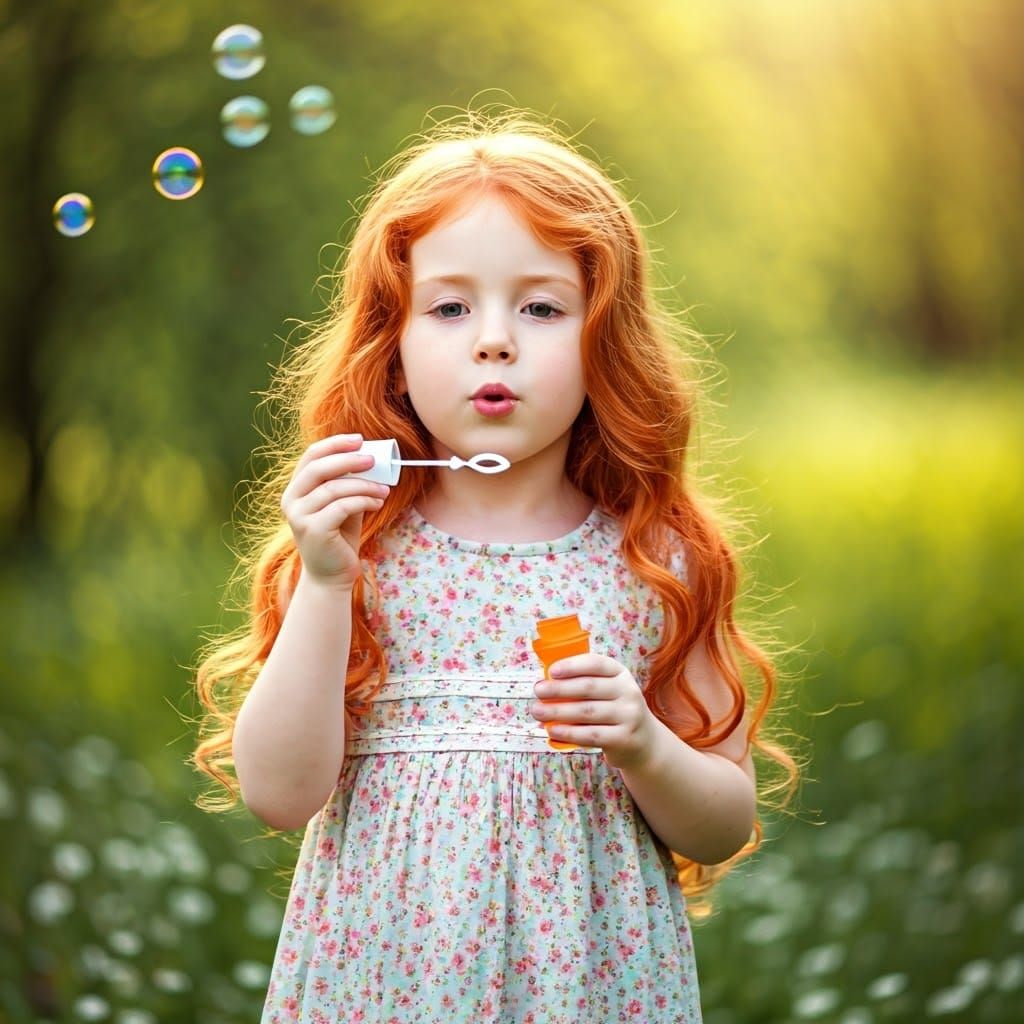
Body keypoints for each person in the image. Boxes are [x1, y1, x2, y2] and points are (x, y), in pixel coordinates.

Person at [191, 108, 797, 1023]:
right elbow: (279, 795)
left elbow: (723, 819)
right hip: (388, 979)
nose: (495, 339)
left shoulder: (656, 556)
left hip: (586, 987)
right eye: (449, 306)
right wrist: (323, 580)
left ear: (607, 342)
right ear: (390, 346)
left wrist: (641, 742)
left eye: (543, 306)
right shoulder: (355, 548)